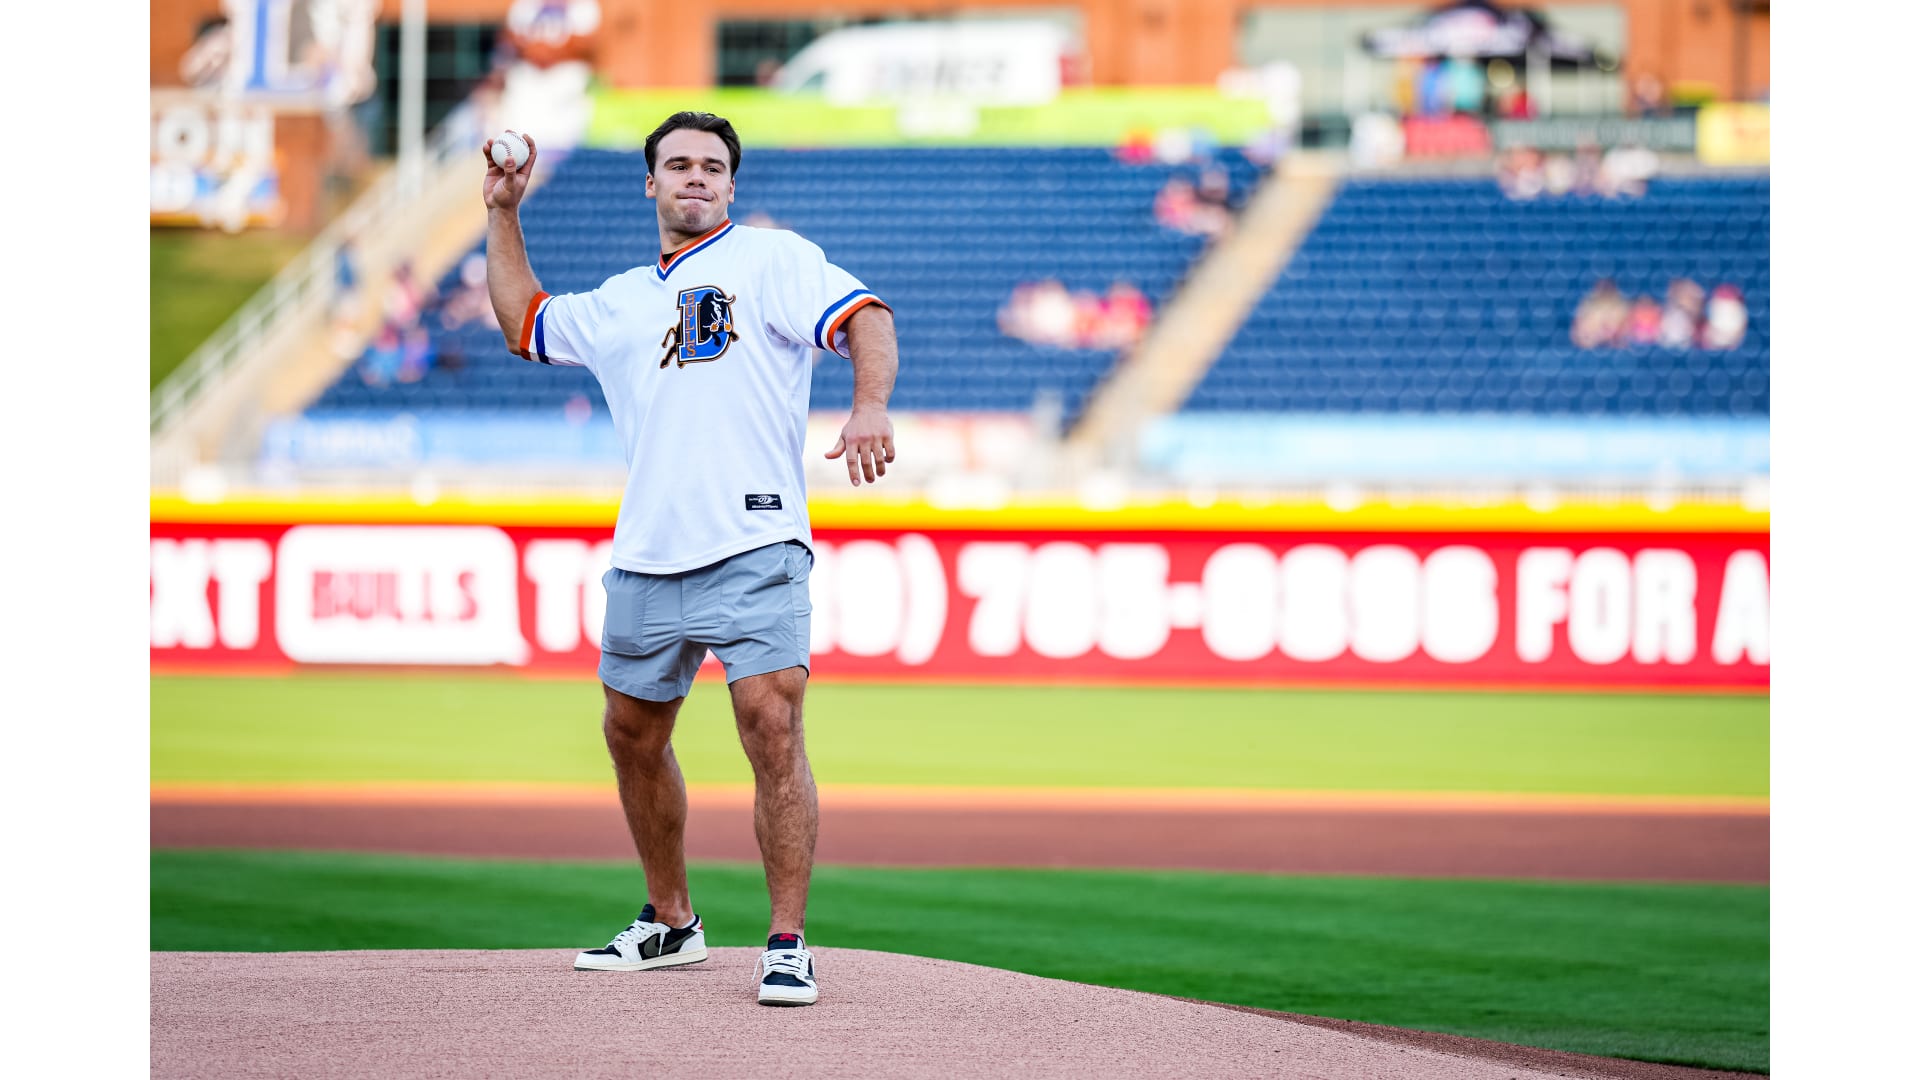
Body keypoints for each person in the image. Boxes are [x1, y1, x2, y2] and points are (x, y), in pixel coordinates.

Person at [482, 112, 899, 1008]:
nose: (697, 176)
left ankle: (785, 942)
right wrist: (503, 212)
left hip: (756, 539)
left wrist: (869, 405)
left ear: (732, 185)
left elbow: (867, 317)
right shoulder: (624, 298)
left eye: (713, 165)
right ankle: (671, 921)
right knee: (631, 735)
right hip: (648, 552)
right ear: (651, 184)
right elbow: (525, 321)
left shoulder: (773, 260)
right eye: (679, 164)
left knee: (771, 725)